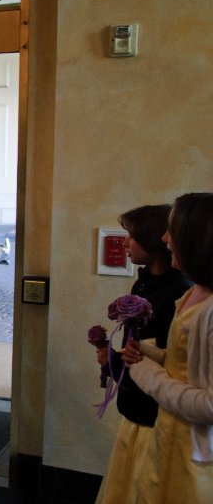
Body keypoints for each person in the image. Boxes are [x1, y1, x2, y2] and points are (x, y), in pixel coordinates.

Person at [94, 205, 192, 504]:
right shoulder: (145, 282)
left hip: (155, 416)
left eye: (131, 236)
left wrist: (122, 361)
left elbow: (168, 361)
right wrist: (112, 362)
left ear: (153, 241)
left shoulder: (178, 294)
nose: (123, 243)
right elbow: (138, 350)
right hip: (135, 408)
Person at [121, 192, 213, 502]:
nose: (164, 238)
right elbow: (185, 363)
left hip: (192, 448)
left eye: (171, 230)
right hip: (169, 431)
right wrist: (147, 352)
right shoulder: (194, 295)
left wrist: (146, 373)